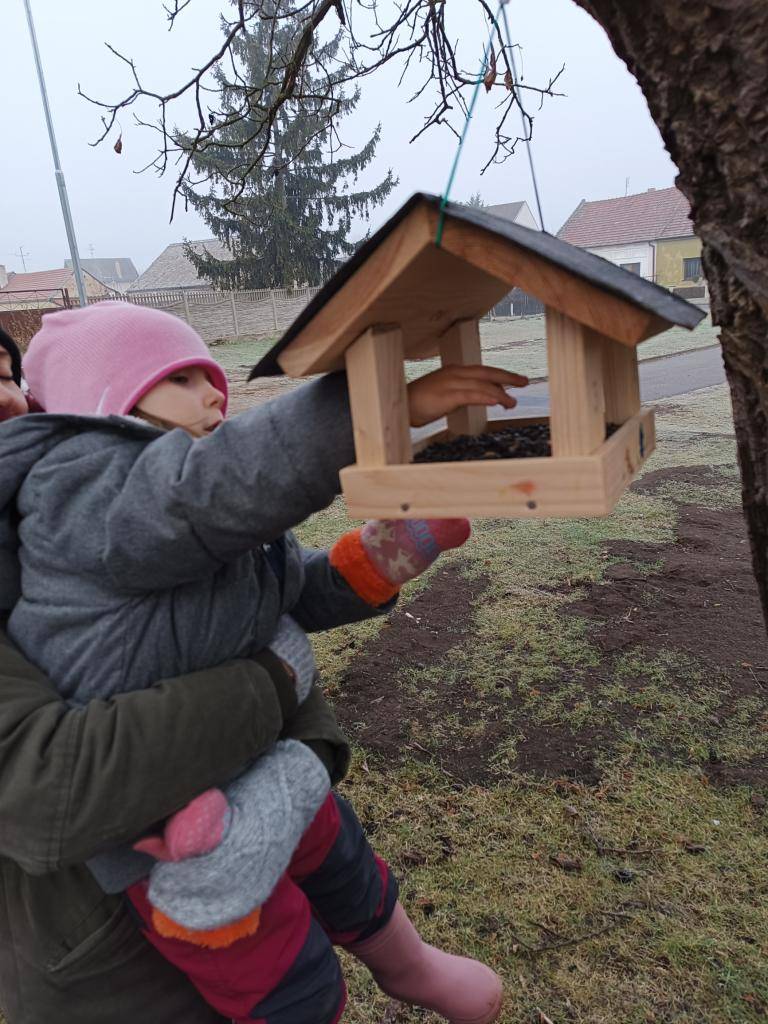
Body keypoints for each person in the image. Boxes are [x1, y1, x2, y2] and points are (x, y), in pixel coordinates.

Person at [3, 303, 526, 1023]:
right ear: (106, 407)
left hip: (250, 764)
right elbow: (223, 485)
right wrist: (379, 408)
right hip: (168, 841)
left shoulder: (186, 527)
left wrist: (377, 560)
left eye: (208, 375)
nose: (215, 394)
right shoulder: (88, 489)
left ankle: (410, 965)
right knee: (276, 964)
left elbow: (280, 590)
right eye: (181, 379)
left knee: (334, 842)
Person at [1, 325, 344, 1023]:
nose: (7, 398)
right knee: (295, 988)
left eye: (5, 375)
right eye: (180, 380)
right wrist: (279, 676)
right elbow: (49, 788)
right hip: (103, 970)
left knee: (327, 928)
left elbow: (257, 591)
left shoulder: (91, 494)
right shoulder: (86, 492)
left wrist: (351, 582)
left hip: (246, 831)